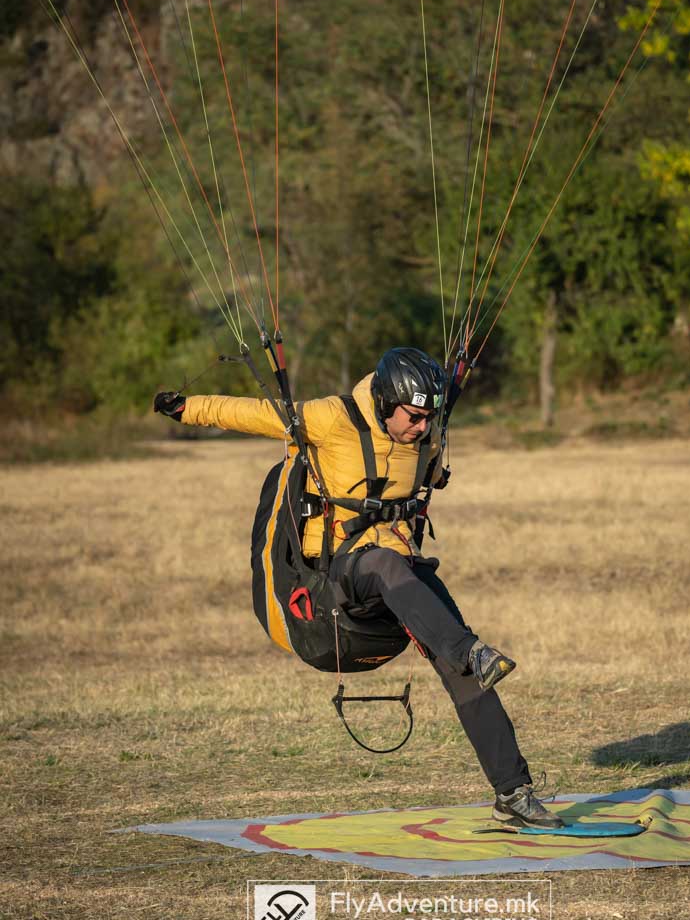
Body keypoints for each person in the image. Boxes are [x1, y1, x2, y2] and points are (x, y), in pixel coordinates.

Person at [154, 347, 562, 829]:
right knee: (390, 570)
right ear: (386, 403)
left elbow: (430, 473)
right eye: (413, 417)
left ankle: (512, 793)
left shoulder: (425, 436)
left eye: (428, 419)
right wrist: (187, 408)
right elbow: (257, 414)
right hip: (335, 579)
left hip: (397, 574)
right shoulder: (333, 419)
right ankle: (468, 649)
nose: (421, 427)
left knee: (464, 671)